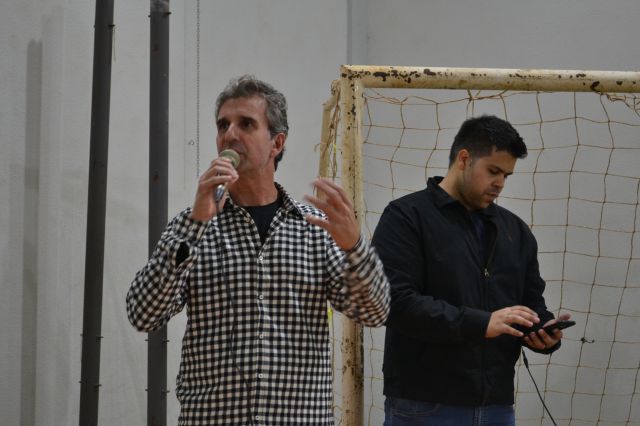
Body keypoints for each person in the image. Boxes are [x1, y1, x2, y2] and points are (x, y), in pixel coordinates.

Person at [126, 75, 390, 425]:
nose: (230, 135)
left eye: (246, 124)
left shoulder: (315, 228)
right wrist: (195, 223)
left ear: (276, 143)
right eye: (223, 125)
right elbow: (143, 314)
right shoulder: (192, 227)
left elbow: (375, 313)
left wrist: (355, 247)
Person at [371, 115, 571, 425]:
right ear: (464, 159)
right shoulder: (406, 217)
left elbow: (530, 303)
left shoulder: (515, 231)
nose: (500, 183)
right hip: (423, 405)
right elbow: (393, 303)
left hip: (496, 406)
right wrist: (481, 323)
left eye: (506, 175)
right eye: (493, 171)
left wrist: (543, 331)